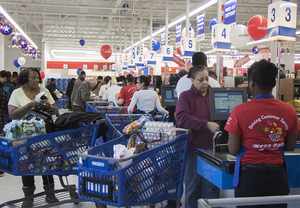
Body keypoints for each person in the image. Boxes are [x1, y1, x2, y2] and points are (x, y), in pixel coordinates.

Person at [225, 59, 300, 208]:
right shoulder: (289, 110)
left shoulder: (239, 111)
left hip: (249, 176)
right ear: (274, 84)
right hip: (278, 175)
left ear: (251, 82)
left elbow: (233, 149)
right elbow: (291, 146)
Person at [8, 67, 59, 207]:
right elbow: (12, 114)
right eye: (33, 77)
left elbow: (56, 109)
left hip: (45, 133)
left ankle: (50, 193)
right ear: (24, 79)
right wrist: (30, 105)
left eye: (38, 77)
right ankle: (28, 197)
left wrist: (49, 105)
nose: (37, 80)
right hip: (24, 136)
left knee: (46, 162)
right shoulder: (17, 93)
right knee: (26, 164)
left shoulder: (45, 91)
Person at [175, 65, 220, 208]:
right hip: (193, 150)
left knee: (211, 189)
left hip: (213, 150)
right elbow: (182, 119)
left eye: (207, 79)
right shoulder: (186, 96)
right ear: (192, 80)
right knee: (193, 188)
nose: (205, 83)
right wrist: (206, 124)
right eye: (201, 80)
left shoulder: (215, 95)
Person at [0, 82, 10, 177]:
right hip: (2, 121)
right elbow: (9, 107)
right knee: (1, 146)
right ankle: (1, 169)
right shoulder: (4, 93)